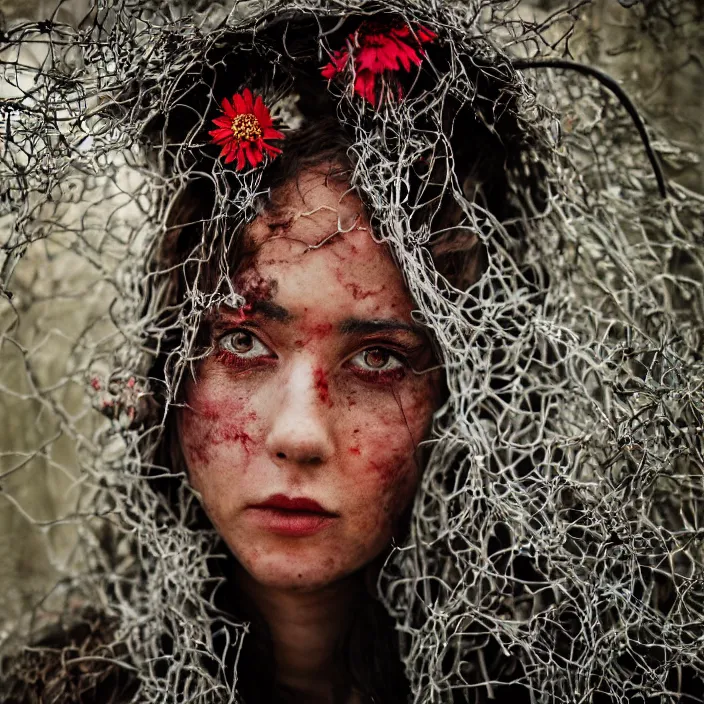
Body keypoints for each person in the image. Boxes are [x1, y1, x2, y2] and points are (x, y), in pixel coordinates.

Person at [2, 1, 703, 703]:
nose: (297, 434)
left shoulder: (621, 680)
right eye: (243, 342)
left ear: (475, 394)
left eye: (379, 358)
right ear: (174, 366)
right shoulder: (57, 688)